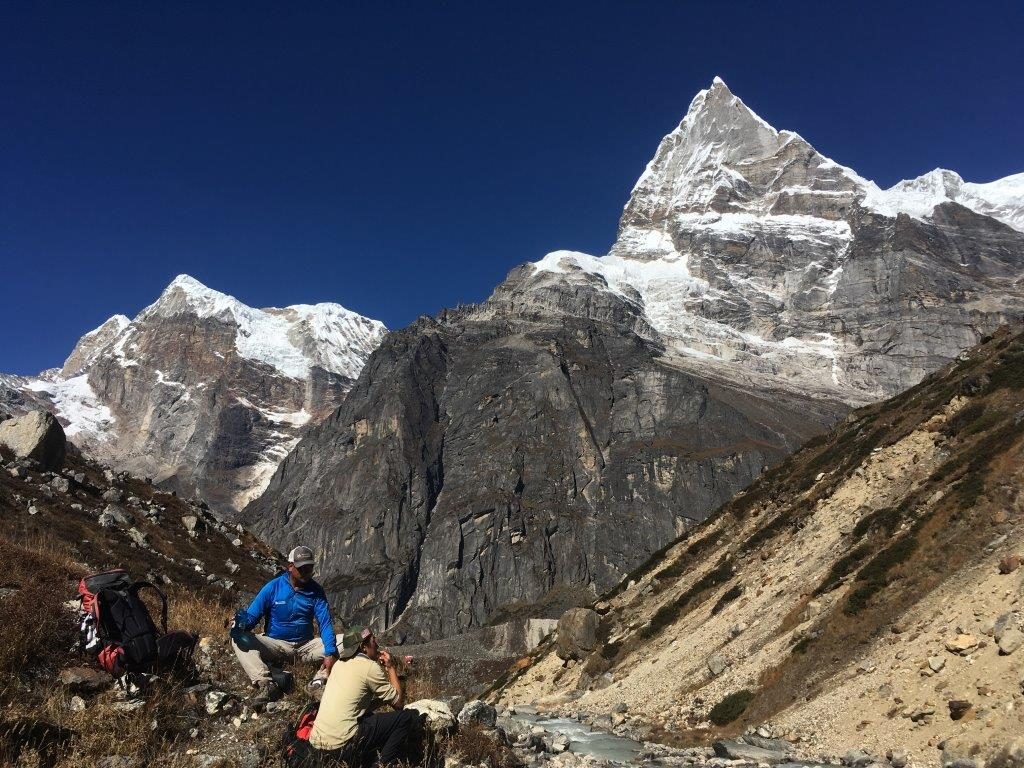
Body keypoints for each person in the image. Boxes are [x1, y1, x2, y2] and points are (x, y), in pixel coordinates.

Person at [230, 545, 341, 703]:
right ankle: (266, 683)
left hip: (305, 647)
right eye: (302, 568)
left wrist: (329, 652)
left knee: (346, 641)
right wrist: (239, 624)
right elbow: (252, 617)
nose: (306, 572)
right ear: (290, 567)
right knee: (237, 639)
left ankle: (318, 681)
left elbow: (325, 624)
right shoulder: (273, 588)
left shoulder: (316, 591)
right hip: (276, 645)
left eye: (309, 568)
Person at [307, 626, 418, 767]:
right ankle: (380, 764)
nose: (377, 644)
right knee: (405, 718)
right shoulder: (369, 667)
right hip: (340, 746)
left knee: (368, 716)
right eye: (373, 640)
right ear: (363, 647)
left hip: (317, 744)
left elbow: (355, 706)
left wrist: (380, 702)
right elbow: (398, 703)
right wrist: (390, 667)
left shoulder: (338, 665)